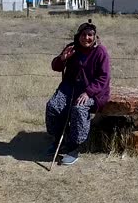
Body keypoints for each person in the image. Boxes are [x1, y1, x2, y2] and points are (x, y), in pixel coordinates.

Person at [45, 20, 111, 165]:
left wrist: (88, 92)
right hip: (70, 88)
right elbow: (56, 66)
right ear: (78, 35)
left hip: (93, 91)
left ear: (94, 37)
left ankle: (74, 148)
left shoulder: (100, 52)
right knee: (53, 106)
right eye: (83, 34)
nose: (86, 38)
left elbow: (103, 77)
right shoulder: (72, 48)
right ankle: (59, 139)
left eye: (90, 35)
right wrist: (62, 59)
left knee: (79, 109)